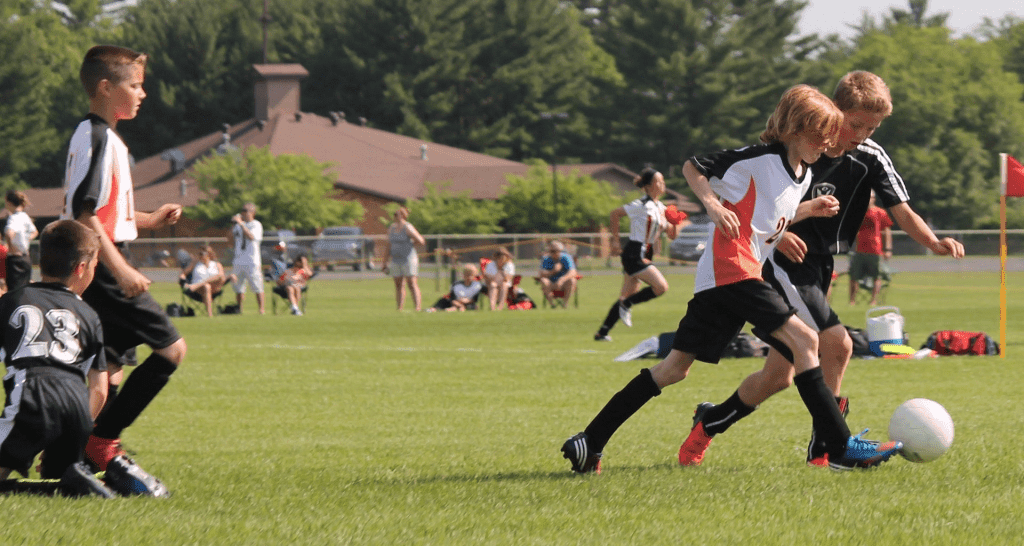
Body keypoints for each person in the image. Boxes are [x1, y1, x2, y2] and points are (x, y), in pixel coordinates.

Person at [562, 84, 902, 475]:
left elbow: (769, 218)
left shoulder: (802, 174)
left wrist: (807, 210)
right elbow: (695, 166)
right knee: (807, 340)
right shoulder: (758, 158)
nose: (828, 142)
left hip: (723, 281)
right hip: (733, 270)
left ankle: (589, 440)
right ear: (794, 129)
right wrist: (711, 205)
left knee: (674, 369)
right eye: (820, 134)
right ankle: (840, 447)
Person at [677, 71, 964, 469]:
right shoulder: (794, 149)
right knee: (838, 342)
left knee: (779, 376)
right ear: (833, 112)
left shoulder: (870, 157)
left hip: (820, 265)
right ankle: (830, 448)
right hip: (782, 263)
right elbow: (759, 206)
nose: (861, 133)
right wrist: (777, 236)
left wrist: (933, 242)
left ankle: (709, 422)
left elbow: (901, 209)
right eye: (856, 124)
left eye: (871, 127)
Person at [62, 45, 187, 473]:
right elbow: (84, 212)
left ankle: (71, 451)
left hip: (100, 259)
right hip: (101, 265)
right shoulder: (97, 137)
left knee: (109, 369)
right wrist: (122, 270)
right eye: (134, 85)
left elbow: (106, 211)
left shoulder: (102, 136)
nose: (142, 93)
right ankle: (102, 443)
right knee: (172, 351)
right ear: (104, 87)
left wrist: (149, 219)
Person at [0, 221, 107, 486]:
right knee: (61, 484)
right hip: (78, 410)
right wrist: (71, 429)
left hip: (32, 396)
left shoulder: (13, 300)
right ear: (81, 269)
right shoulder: (89, 315)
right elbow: (100, 390)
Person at [593, 168, 681, 341]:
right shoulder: (641, 205)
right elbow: (615, 214)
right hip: (634, 252)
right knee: (661, 287)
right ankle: (627, 305)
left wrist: (675, 222)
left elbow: (672, 235)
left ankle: (602, 332)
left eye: (663, 181)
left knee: (627, 295)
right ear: (648, 186)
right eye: (659, 181)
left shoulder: (661, 207)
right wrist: (615, 240)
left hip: (646, 252)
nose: (663, 185)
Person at [849, 191, 893, 305]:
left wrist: (888, 249)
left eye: (870, 197)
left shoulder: (880, 212)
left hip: (875, 249)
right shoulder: (858, 211)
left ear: (874, 199)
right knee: (854, 276)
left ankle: (873, 300)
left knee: (876, 276)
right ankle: (852, 300)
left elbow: (887, 231)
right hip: (859, 249)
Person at [381, 207, 425, 311]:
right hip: (396, 259)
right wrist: (385, 262)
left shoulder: (407, 227)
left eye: (397, 214)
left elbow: (420, 240)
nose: (395, 216)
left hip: (408, 258)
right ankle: (399, 308)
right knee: (398, 283)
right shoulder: (391, 228)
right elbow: (388, 245)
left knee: (411, 282)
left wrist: (409, 245)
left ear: (403, 215)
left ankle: (417, 307)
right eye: (394, 214)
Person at [228, 202, 264, 315]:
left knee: (257, 286)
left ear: (253, 212)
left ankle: (261, 309)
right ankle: (239, 309)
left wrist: (241, 224)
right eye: (242, 210)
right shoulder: (238, 226)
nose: (243, 213)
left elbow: (251, 237)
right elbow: (230, 242)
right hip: (238, 260)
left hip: (252, 261)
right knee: (238, 288)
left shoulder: (256, 224)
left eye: (246, 210)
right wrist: (233, 225)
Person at [180, 245, 230, 317]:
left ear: (209, 254)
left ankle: (198, 285)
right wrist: (183, 282)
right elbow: (183, 274)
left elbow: (221, 277)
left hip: (213, 289)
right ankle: (210, 315)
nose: (200, 255)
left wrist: (198, 284)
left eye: (202, 253)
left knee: (219, 277)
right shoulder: (195, 264)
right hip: (198, 291)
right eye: (199, 253)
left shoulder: (217, 264)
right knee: (206, 287)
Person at [4, 190, 39, 293]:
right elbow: (35, 232)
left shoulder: (13, 218)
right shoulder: (25, 217)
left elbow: (9, 233)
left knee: (14, 292)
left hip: (15, 260)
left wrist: (11, 248)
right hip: (25, 258)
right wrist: (26, 240)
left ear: (9, 203)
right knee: (25, 290)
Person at [537, 240, 577, 308]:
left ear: (560, 251)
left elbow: (573, 272)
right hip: (551, 283)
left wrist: (562, 279)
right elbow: (541, 274)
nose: (553, 253)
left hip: (564, 283)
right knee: (543, 281)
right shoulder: (546, 258)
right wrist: (553, 271)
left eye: (555, 251)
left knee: (572, 280)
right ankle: (552, 304)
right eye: (551, 251)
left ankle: (565, 304)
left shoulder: (566, 257)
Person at [482, 247, 516, 311]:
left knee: (504, 285)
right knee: (493, 285)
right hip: (492, 283)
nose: (501, 261)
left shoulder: (509, 265)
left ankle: (500, 306)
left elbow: (507, 279)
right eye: (500, 259)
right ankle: (492, 306)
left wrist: (502, 271)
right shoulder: (491, 265)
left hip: (504, 283)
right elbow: (488, 279)